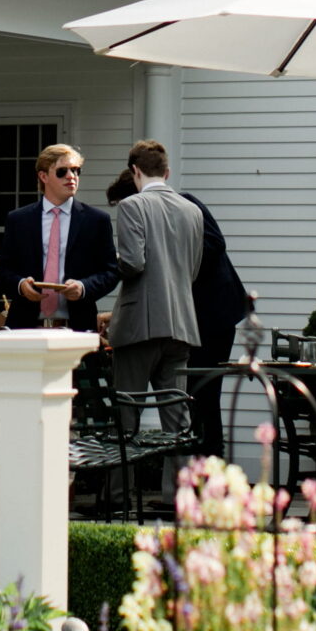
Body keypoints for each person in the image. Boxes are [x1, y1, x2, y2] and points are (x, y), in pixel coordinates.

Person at [110, 144, 251, 453]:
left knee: (203, 395)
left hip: (210, 314)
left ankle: (207, 470)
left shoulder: (183, 207)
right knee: (183, 404)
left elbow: (210, 247)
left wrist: (165, 261)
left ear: (136, 178)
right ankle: (188, 482)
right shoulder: (185, 210)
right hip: (183, 318)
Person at [109, 142, 205, 453]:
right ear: (166, 172)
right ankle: (181, 494)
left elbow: (134, 263)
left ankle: (120, 498)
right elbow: (193, 270)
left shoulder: (132, 206)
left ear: (134, 170)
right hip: (182, 323)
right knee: (177, 418)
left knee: (127, 416)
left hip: (140, 325)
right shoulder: (192, 211)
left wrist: (111, 262)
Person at [0, 144, 119, 330]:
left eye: (76, 171)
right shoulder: (18, 220)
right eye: (62, 171)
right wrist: (21, 285)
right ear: (43, 176)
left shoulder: (96, 220)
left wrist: (83, 287)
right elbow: (2, 270)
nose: (71, 176)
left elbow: (110, 272)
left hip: (77, 327)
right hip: (26, 326)